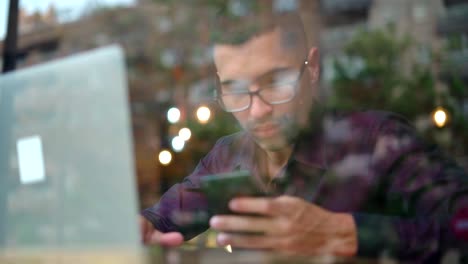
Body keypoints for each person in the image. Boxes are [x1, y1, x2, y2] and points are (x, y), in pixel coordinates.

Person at [140, 12, 468, 262]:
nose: (256, 112)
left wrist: (346, 233)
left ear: (312, 69)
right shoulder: (227, 156)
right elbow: (161, 219)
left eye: (276, 83)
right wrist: (141, 227)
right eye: (236, 91)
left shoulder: (377, 142)